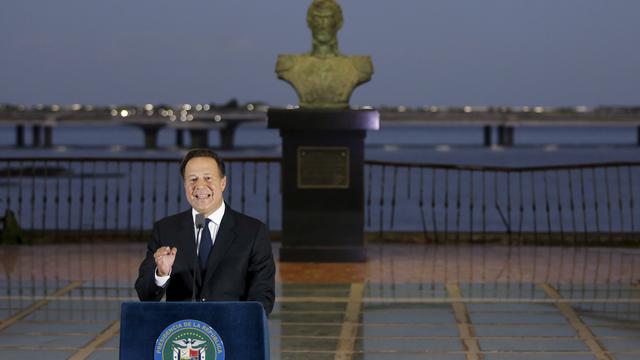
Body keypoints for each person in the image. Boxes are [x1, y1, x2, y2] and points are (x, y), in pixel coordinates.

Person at [135, 148, 276, 315]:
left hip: (231, 330)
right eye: (192, 179)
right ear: (185, 185)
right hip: (182, 333)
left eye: (208, 178)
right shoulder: (166, 229)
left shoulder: (252, 231)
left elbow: (263, 295)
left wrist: (242, 323)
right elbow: (145, 295)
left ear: (223, 183)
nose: (200, 186)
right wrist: (161, 274)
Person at [276, 0, 373, 108]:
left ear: (338, 23)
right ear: (310, 22)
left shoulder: (357, 66)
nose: (322, 25)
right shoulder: (290, 65)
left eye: (328, 18)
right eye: (318, 18)